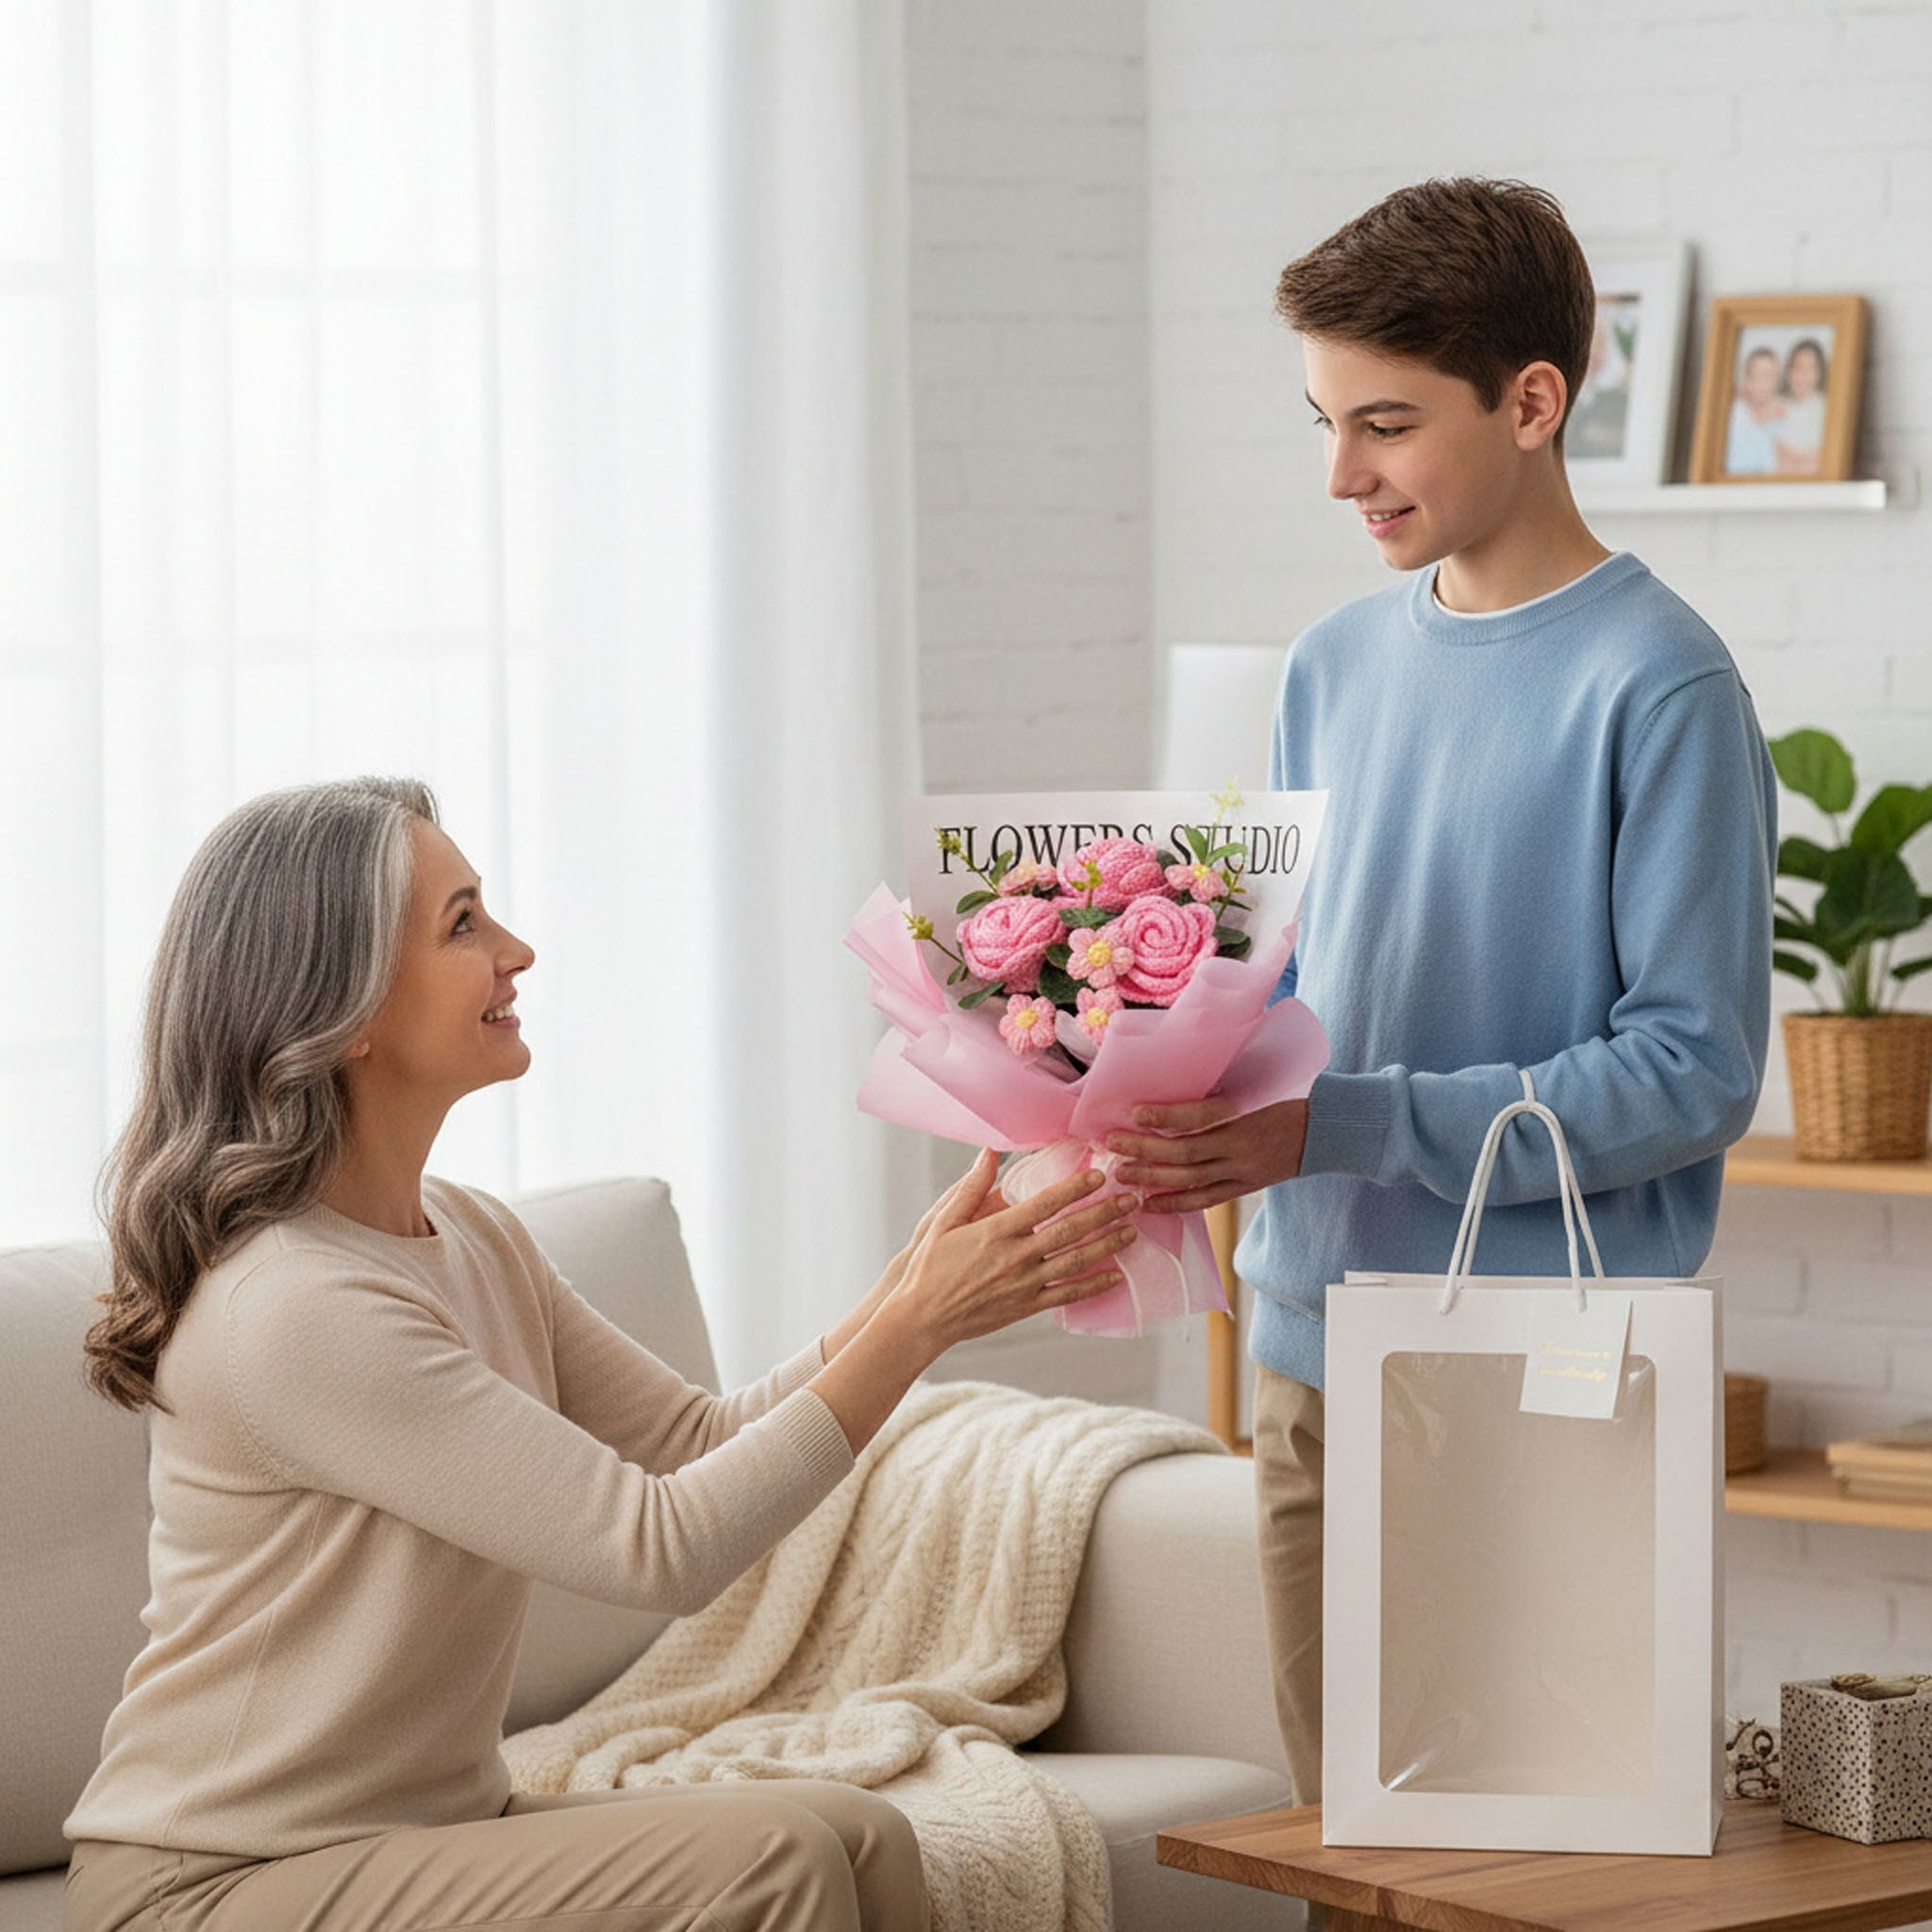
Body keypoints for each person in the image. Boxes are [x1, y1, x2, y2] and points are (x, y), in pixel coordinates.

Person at [62, 776, 1141, 1932]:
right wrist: (916, 1323)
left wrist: (915, 1283)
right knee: (774, 1855)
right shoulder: (296, 1304)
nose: (515, 949)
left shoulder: (471, 1233)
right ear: (346, 1007)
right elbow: (658, 1546)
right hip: (212, 1881)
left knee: (861, 1829)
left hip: (414, 1836)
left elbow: (697, 1440)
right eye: (463, 922)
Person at [1098, 177, 1775, 1807]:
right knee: (1356, 1867)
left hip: (1535, 1374)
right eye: (1325, 422)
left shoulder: (1659, 686)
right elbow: (1296, 994)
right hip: (1309, 1353)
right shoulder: (1329, 663)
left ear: (1531, 401)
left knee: (1534, 1867)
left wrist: (1338, 1121)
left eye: (1384, 425)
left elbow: (1688, 1072)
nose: (1342, 475)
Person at [1724, 343, 1785, 475]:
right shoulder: (1733, 418)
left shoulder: (1782, 420)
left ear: (1777, 381)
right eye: (1757, 375)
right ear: (1746, 380)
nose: (1762, 384)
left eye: (1769, 376)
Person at [1774, 337, 1829, 475]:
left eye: (1811, 368)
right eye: (1798, 367)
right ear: (1788, 372)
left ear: (1819, 374)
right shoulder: (1777, 406)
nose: (1803, 375)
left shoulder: (1825, 409)